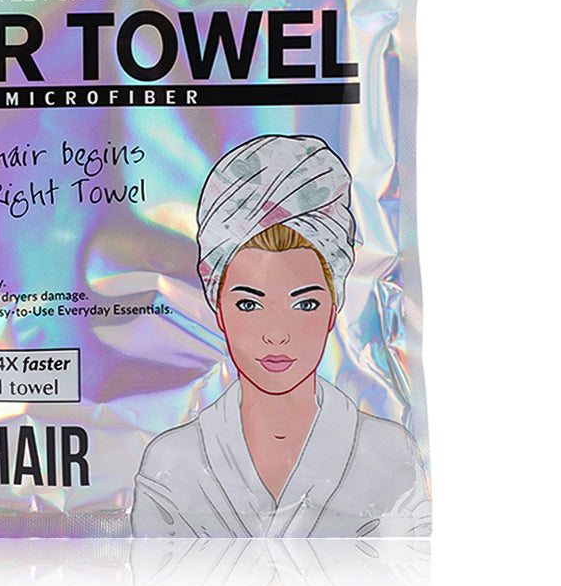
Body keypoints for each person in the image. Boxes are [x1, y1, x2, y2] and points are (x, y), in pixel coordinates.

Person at [131, 135, 431, 539]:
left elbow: (413, 568)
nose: (276, 334)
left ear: (333, 306)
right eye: (248, 304)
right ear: (217, 305)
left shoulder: (389, 454)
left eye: (304, 304)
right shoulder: (171, 464)